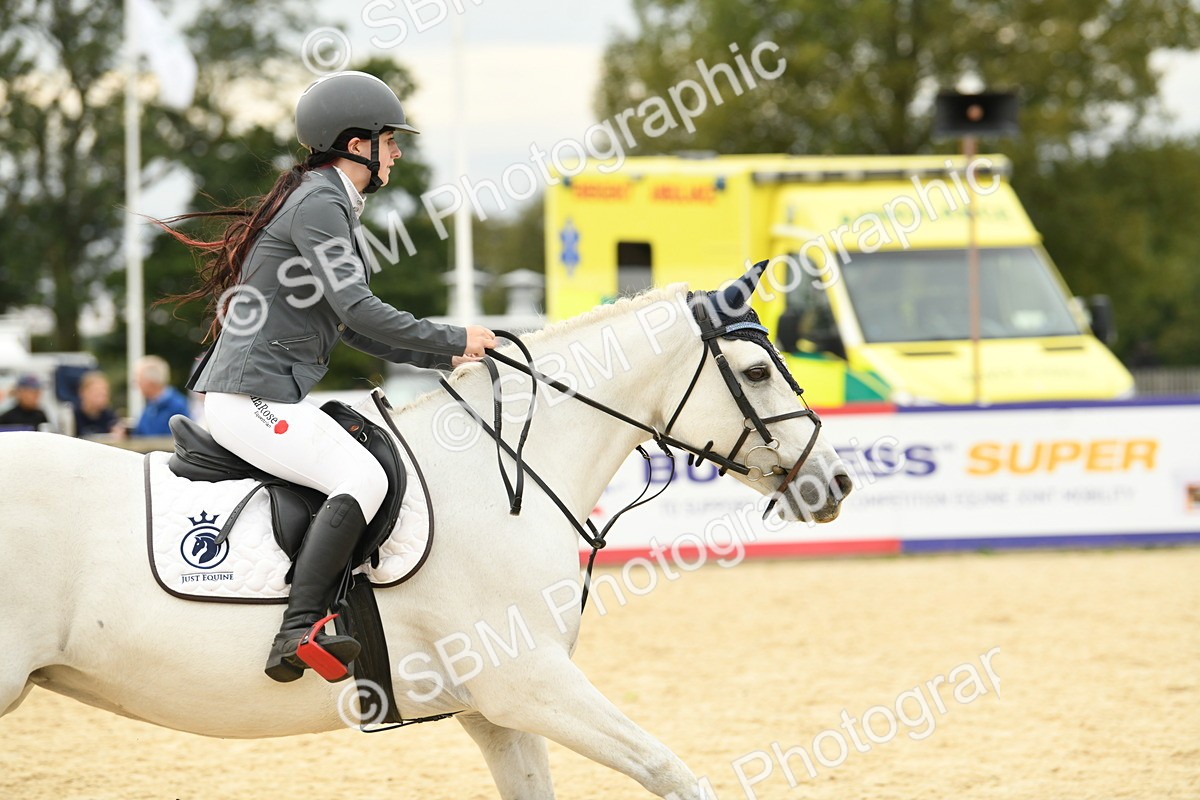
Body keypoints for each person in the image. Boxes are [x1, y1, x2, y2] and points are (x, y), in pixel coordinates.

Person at [159, 71, 496, 683]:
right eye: (390, 140)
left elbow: (350, 328)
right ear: (356, 144)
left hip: (258, 394)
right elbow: (360, 311)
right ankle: (298, 629)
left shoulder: (326, 200)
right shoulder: (321, 202)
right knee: (362, 475)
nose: (396, 152)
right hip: (249, 398)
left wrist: (446, 359)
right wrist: (453, 336)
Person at [130, 356, 191, 436]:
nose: (135, 384)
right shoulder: (150, 406)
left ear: (150, 381)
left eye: (138, 379)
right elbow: (140, 434)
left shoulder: (177, 406)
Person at [74, 371, 120, 437]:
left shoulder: (111, 418)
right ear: (83, 392)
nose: (102, 398)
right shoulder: (72, 416)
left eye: (104, 394)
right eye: (96, 393)